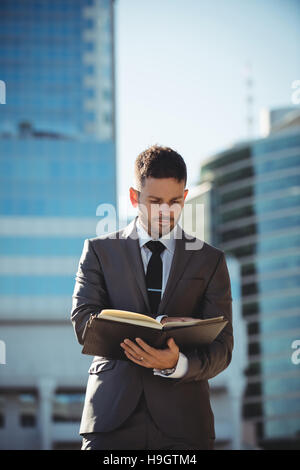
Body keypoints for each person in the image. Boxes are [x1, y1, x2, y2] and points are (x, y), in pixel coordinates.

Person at [71, 145, 233, 450]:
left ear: (185, 198)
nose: (164, 212)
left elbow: (222, 347)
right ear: (134, 198)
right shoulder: (99, 251)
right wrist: (145, 333)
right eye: (154, 202)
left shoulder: (210, 261)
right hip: (111, 417)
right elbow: (83, 322)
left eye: (174, 202)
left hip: (186, 424)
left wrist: (178, 363)